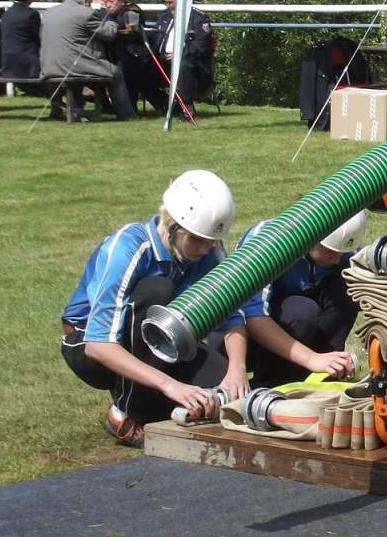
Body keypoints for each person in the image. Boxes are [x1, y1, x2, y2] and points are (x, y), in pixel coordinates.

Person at [60, 170, 249, 447]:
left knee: (221, 388)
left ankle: (154, 402)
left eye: (211, 241)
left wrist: (236, 369)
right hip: (88, 345)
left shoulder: (210, 251)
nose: (205, 249)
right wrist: (170, 386)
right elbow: (98, 345)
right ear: (172, 224)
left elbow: (233, 315)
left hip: (165, 342)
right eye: (197, 240)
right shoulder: (128, 248)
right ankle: (124, 412)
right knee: (156, 291)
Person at [239, 211, 366, 389]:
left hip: (298, 325)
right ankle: (271, 383)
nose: (337, 258)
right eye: (331, 251)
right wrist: (311, 358)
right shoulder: (267, 241)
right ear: (312, 236)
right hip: (243, 337)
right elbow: (251, 316)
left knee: (349, 285)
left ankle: (325, 371)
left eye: (341, 251)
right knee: (302, 311)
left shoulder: (340, 245)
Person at [40, 0, 129, 119]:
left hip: (49, 66)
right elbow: (109, 33)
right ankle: (126, 115)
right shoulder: (86, 14)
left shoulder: (48, 13)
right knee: (116, 73)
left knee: (77, 73)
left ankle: (73, 110)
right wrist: (111, 20)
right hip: (73, 66)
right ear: (86, 0)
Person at [151, 0, 215, 108]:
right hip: (163, 60)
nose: (168, 6)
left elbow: (200, 46)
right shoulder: (164, 16)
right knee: (137, 63)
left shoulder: (198, 18)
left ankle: (186, 107)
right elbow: (155, 38)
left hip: (192, 64)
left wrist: (179, 55)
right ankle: (162, 105)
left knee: (183, 65)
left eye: (170, 2)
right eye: (165, 2)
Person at [0, 0, 41, 80]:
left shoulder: (6, 14)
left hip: (8, 66)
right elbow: (39, 39)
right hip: (28, 67)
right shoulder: (32, 14)